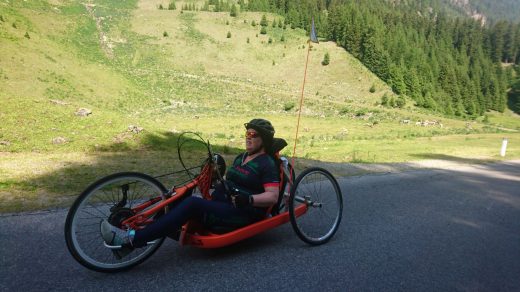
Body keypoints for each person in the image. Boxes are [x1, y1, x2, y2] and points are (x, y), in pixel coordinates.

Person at [100, 118, 281, 257]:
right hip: (223, 203)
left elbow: (272, 197)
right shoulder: (241, 157)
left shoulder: (267, 164)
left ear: (263, 140)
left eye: (252, 135)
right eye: (246, 134)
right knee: (177, 198)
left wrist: (248, 199)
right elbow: (229, 180)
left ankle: (131, 239)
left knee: (192, 204)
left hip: (242, 212)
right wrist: (214, 180)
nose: (247, 138)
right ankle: (130, 242)